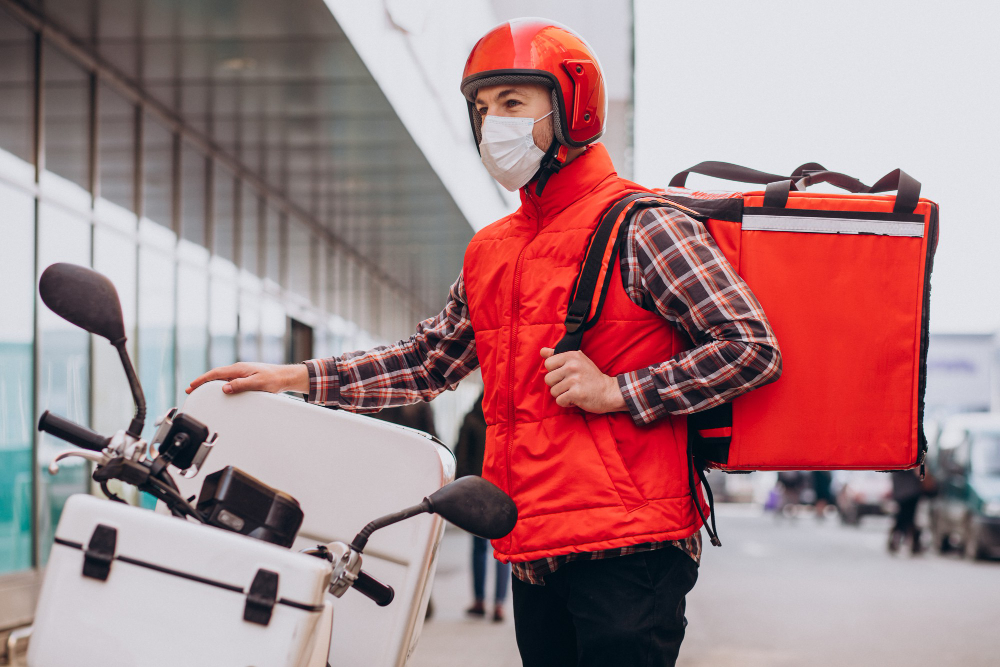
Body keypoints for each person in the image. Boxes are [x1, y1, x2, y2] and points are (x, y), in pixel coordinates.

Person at [188, 18, 781, 666]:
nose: (491, 122)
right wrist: (294, 378)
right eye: (480, 107)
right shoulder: (492, 249)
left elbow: (750, 345)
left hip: (630, 551)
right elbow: (429, 360)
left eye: (511, 102)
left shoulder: (645, 224)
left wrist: (619, 390)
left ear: (572, 108)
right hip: (531, 549)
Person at [453, 392, 511, 622]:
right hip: (502, 492)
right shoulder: (505, 420)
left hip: (478, 493)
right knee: (502, 549)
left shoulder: (471, 419)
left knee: (478, 548)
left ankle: (479, 601)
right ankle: (499, 605)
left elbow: (462, 457)